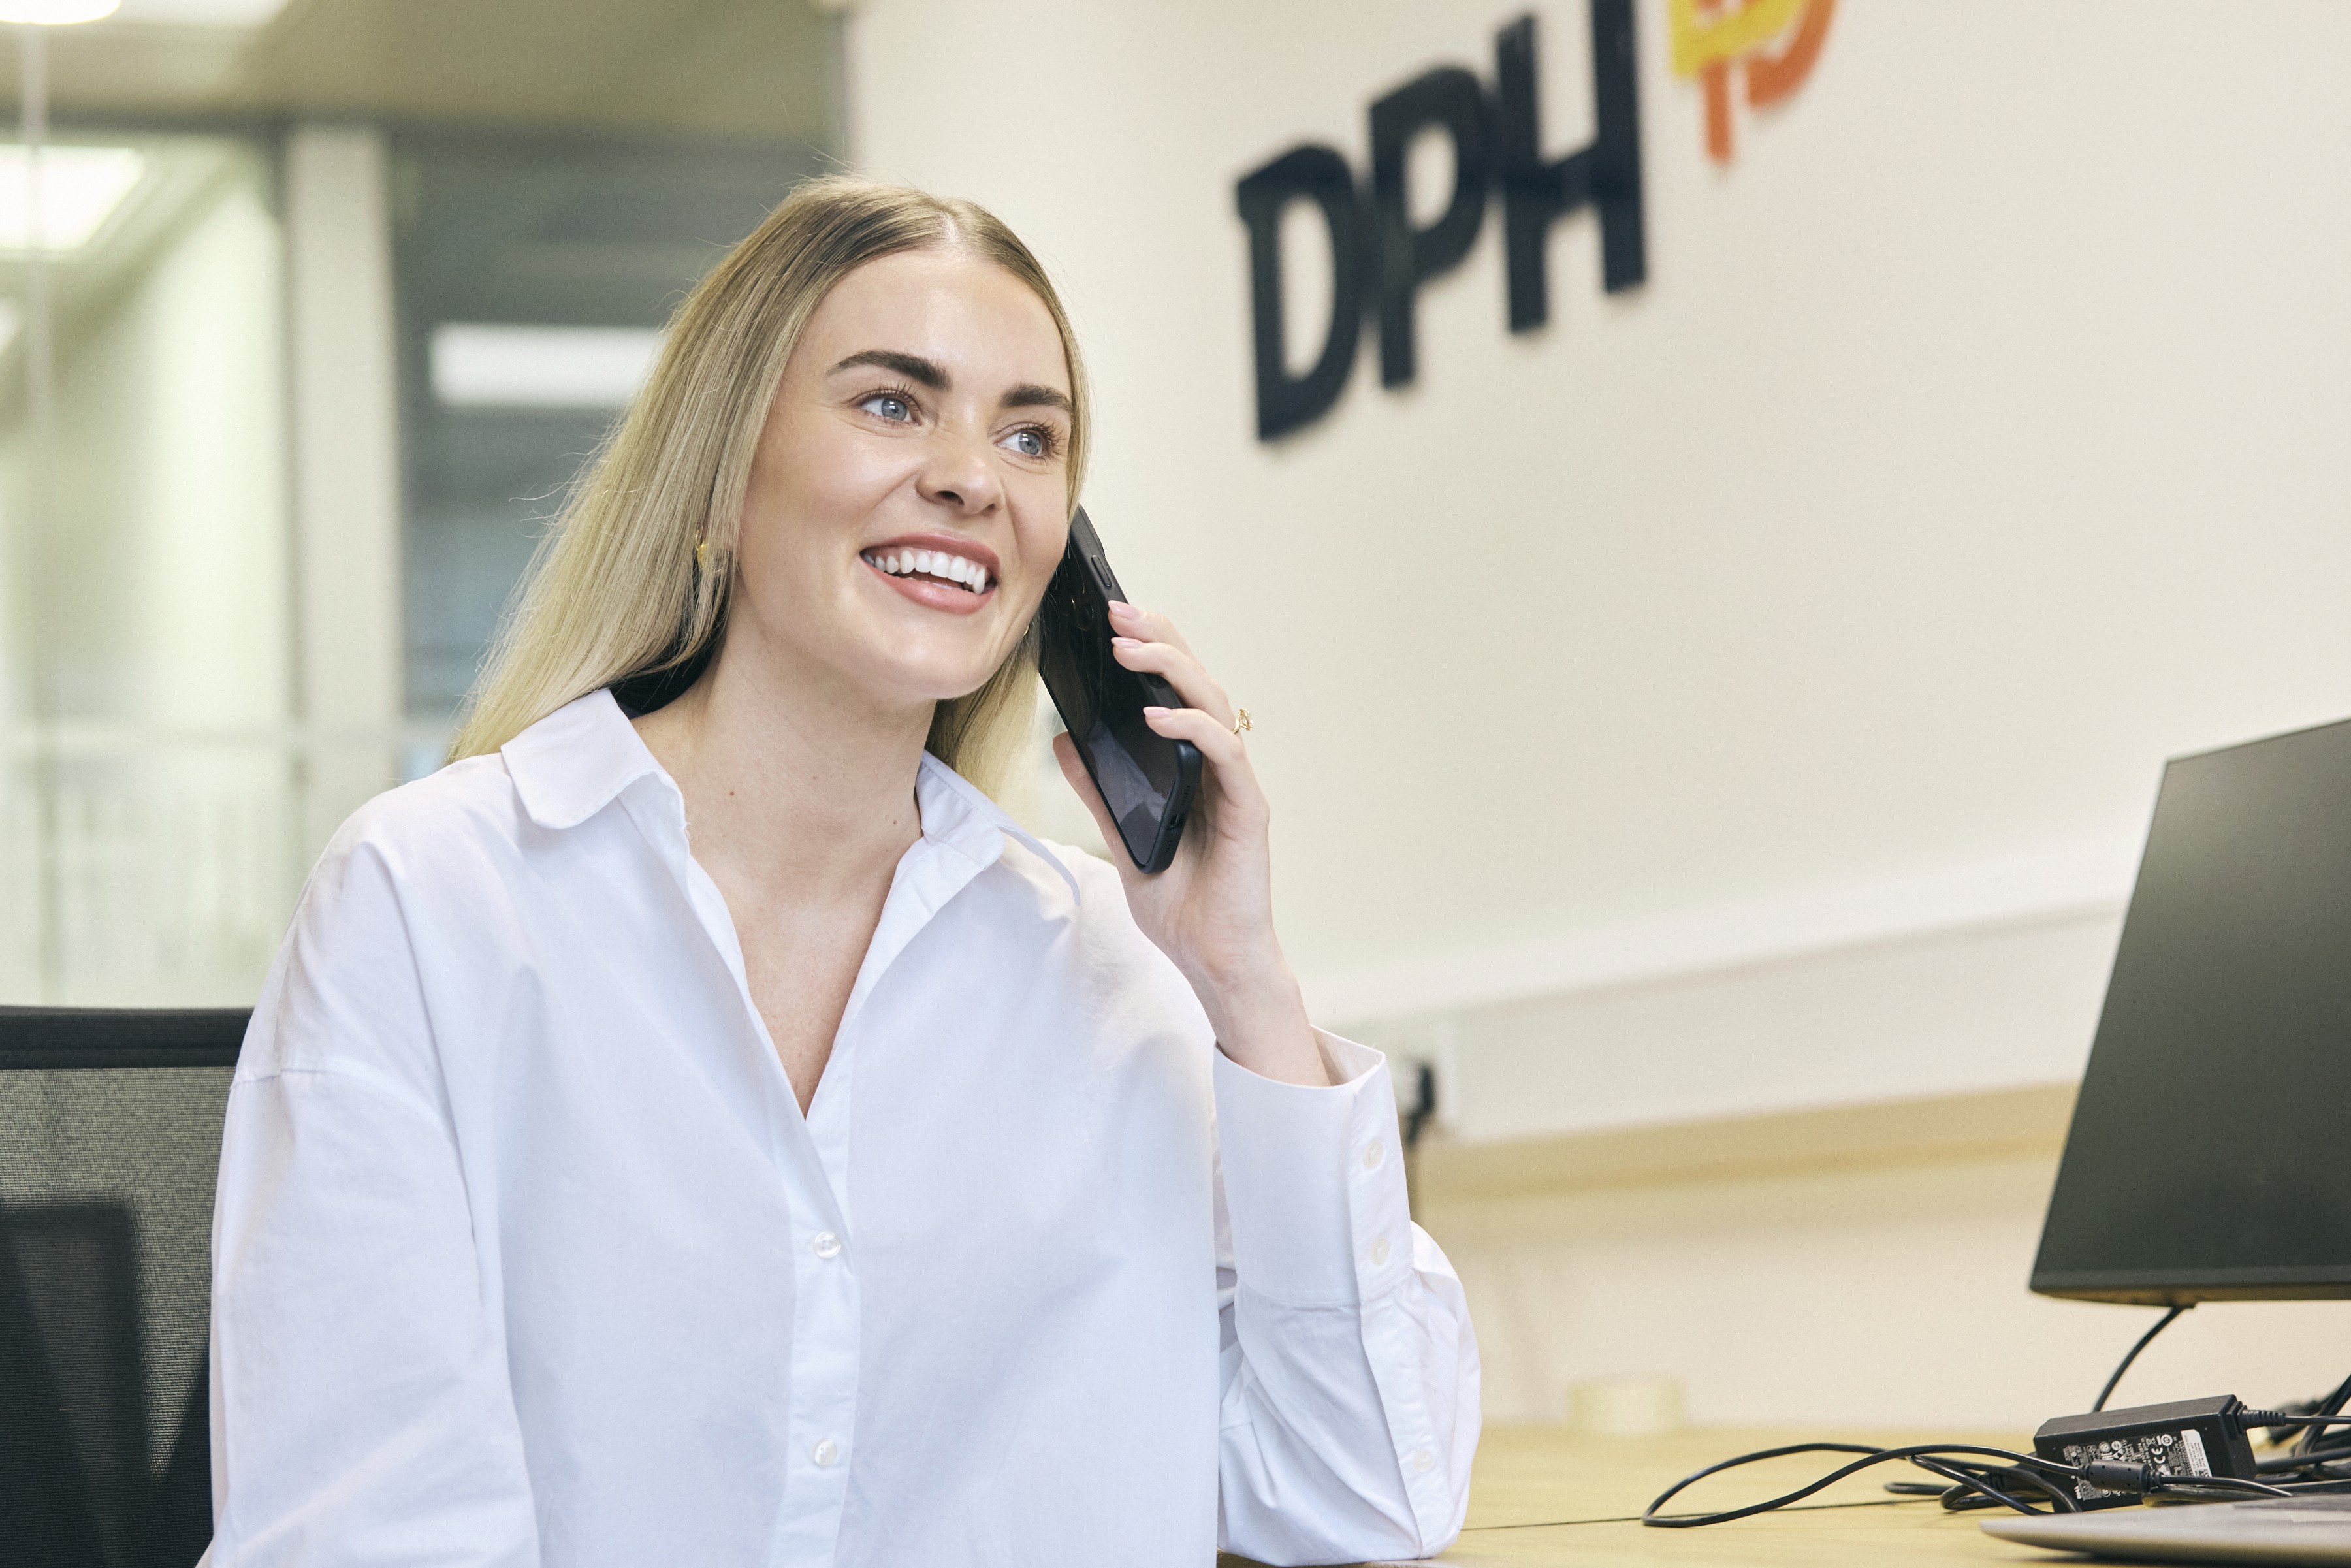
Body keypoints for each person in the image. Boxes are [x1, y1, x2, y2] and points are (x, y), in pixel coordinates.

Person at [202, 178, 1479, 1568]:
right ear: (725, 470)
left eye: (1030, 435)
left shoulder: (1122, 973)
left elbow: (1361, 1495)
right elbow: (367, 1533)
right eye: (890, 402)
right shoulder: (433, 901)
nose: (972, 477)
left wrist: (1244, 980)